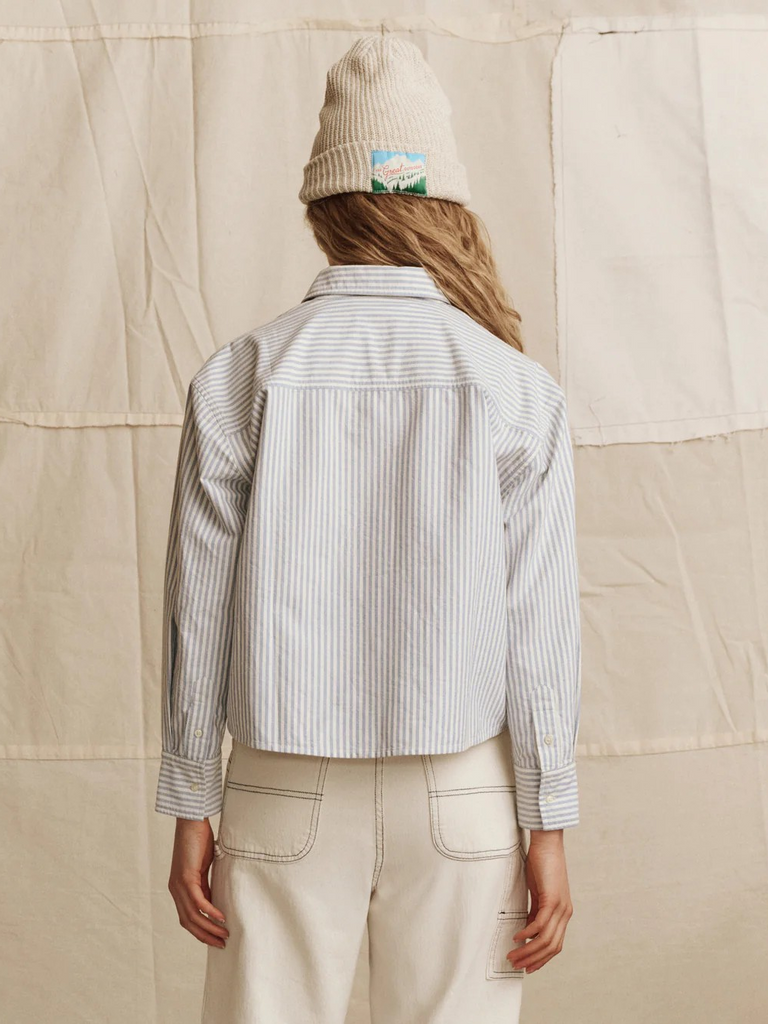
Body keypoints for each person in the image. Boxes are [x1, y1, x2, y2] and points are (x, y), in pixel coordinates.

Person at [156, 32, 582, 1024]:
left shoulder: (241, 375)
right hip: (466, 795)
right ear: (446, 202)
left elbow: (197, 614)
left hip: (279, 788)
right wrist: (549, 820)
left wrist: (191, 798)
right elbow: (540, 631)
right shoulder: (517, 387)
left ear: (323, 207)